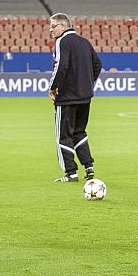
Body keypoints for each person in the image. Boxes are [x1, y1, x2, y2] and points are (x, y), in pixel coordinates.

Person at [48, 13, 101, 183]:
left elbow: (60, 65)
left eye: (53, 26)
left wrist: (53, 87)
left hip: (67, 97)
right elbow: (97, 65)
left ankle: (70, 172)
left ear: (63, 26)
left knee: (63, 135)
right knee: (79, 131)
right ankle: (88, 166)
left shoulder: (62, 42)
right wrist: (87, 83)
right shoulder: (84, 42)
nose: (51, 29)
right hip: (85, 97)